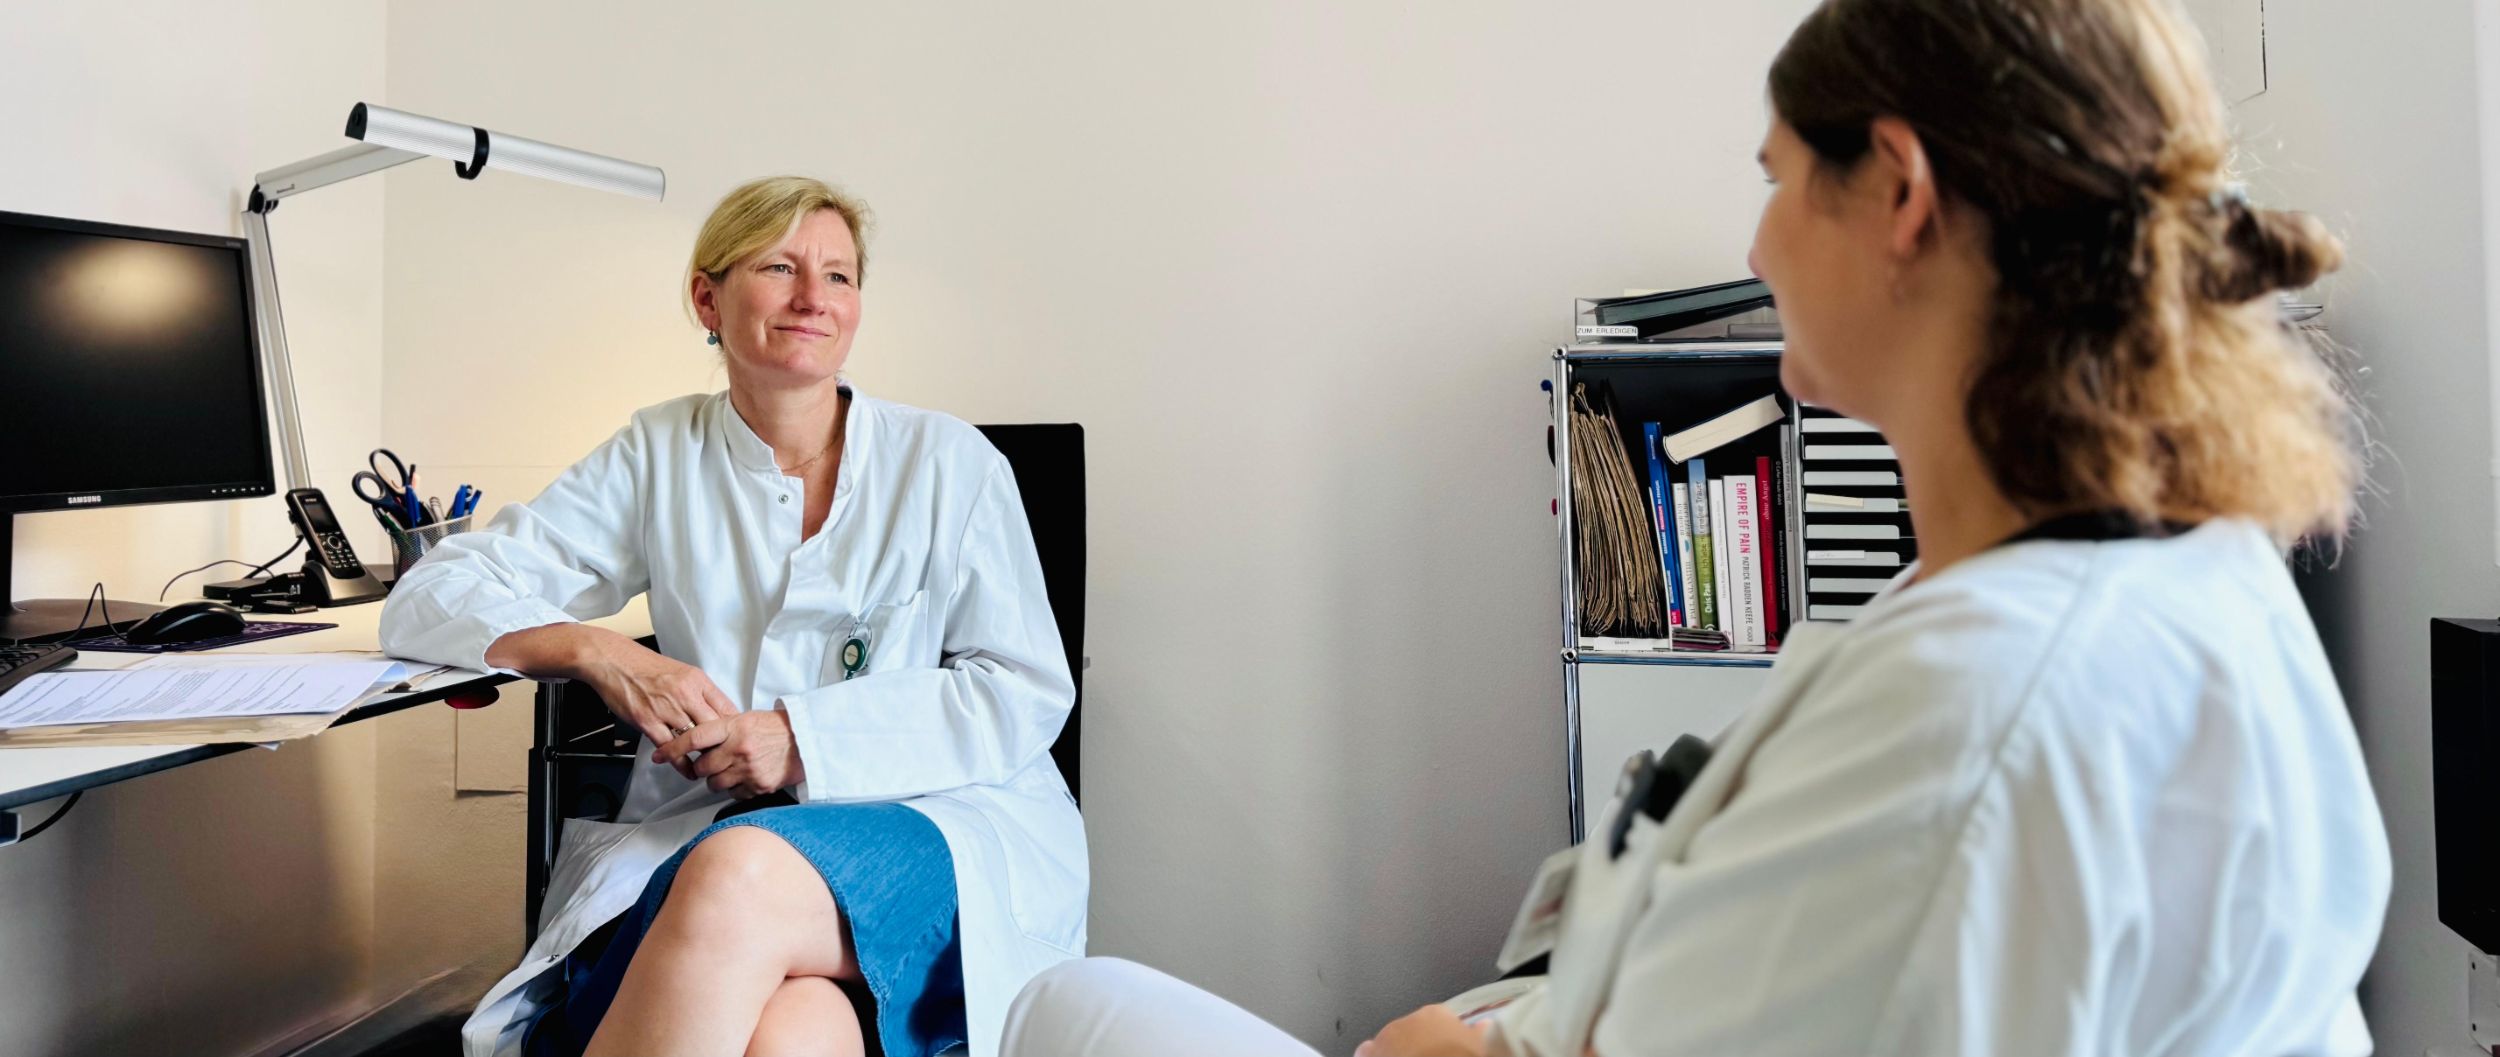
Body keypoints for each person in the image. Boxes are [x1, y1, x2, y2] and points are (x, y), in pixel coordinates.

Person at [998, 0, 2390, 1054]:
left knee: (1071, 1007)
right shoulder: (2176, 572)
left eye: (1777, 179)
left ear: (1899, 193)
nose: (1756, 247)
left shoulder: (1975, 704)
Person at [379, 175, 1085, 1057]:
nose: (813, 297)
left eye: (838, 275)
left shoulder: (950, 463)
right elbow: (432, 593)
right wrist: (600, 650)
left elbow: (1021, 689)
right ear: (707, 299)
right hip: (718, 842)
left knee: (737, 873)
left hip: (939, 825)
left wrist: (802, 740)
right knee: (795, 1029)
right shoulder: (659, 452)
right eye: (781, 267)